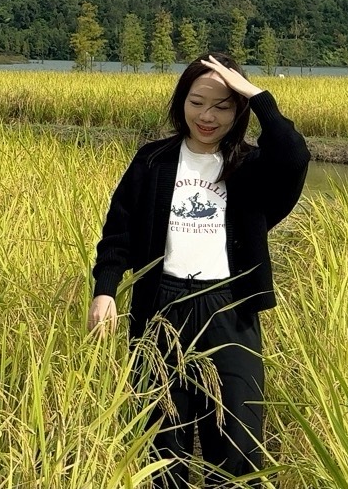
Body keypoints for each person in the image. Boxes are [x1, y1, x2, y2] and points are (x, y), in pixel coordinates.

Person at [90, 53, 310, 486]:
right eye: (196, 102)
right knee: (158, 441)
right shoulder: (152, 161)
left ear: (239, 110)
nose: (206, 116)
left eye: (223, 105)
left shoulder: (251, 168)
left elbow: (294, 153)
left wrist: (258, 95)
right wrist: (105, 289)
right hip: (160, 308)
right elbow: (119, 232)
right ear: (181, 103)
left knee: (237, 443)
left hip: (229, 309)